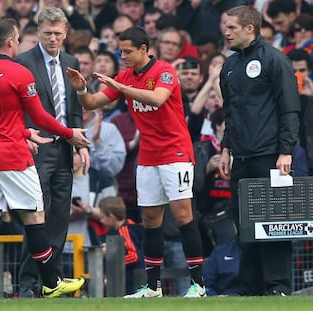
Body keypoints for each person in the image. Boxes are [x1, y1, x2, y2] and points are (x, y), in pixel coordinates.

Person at [67, 26, 206, 298]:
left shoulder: (164, 71)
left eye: (128, 51)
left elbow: (158, 98)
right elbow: (93, 102)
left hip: (176, 153)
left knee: (182, 216)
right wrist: (82, 87)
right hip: (149, 156)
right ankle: (153, 288)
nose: (123, 56)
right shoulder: (126, 76)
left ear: (144, 49)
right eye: (121, 50)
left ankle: (198, 285)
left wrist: (120, 86)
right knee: (150, 220)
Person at [0, 17, 90, 300]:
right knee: (35, 216)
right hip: (11, 157)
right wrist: (69, 132)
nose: (19, 43)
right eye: (18, 39)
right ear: (11, 41)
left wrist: (25, 132)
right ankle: (51, 282)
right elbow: (42, 116)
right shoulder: (19, 72)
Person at [218, 5, 301, 296]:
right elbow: (230, 112)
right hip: (240, 156)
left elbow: (290, 108)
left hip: (270, 155)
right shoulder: (228, 66)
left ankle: (277, 286)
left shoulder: (275, 61)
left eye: (231, 28)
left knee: (274, 223)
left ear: (249, 28)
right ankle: (250, 287)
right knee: (245, 225)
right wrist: (226, 146)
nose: (226, 32)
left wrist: (286, 150)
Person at [15, 7, 91, 298]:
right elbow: (17, 109)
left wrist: (80, 144)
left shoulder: (71, 61)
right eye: (47, 33)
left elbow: (74, 107)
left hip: (63, 148)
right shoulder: (23, 62)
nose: (53, 38)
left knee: (59, 217)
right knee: (36, 217)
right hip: (36, 147)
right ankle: (26, 284)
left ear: (66, 33)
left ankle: (52, 281)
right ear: (37, 32)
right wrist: (23, 136)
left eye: (58, 33)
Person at [99, 196, 144, 295]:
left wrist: (113, 260)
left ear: (111, 217)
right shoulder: (128, 226)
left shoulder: (124, 231)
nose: (101, 221)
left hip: (133, 280)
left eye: (102, 217)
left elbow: (134, 256)